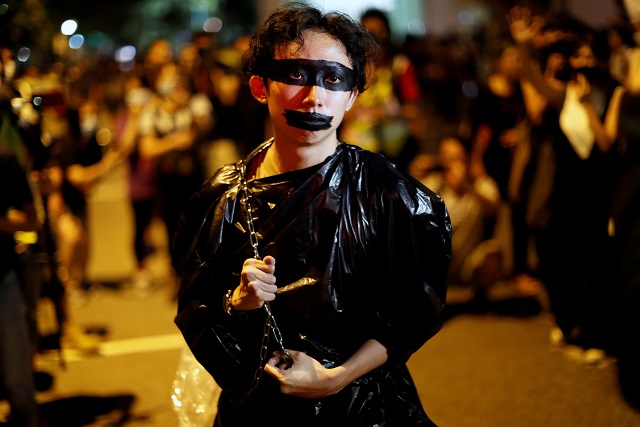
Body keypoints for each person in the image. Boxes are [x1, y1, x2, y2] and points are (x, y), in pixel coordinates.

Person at [172, 3, 451, 426]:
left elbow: (411, 313)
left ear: (353, 94)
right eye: (296, 75)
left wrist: (337, 378)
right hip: (257, 411)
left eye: (333, 79)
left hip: (367, 407)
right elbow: (197, 309)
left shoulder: (388, 194)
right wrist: (238, 302)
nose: (314, 96)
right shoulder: (221, 199)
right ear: (259, 86)